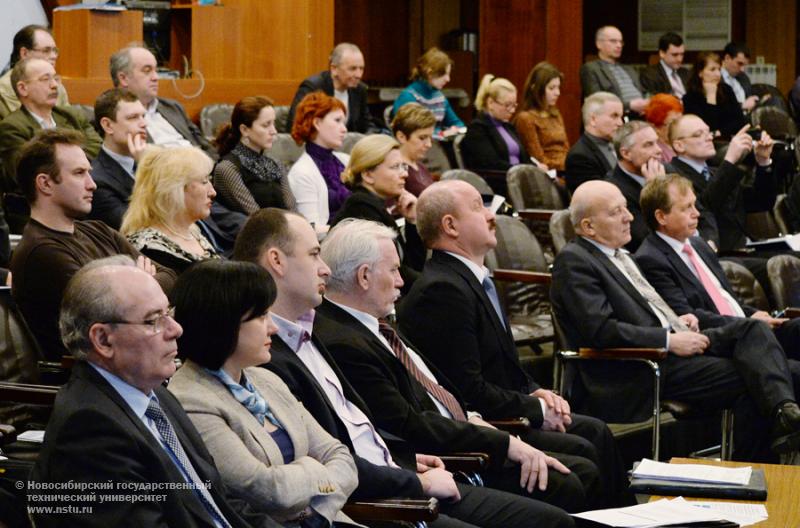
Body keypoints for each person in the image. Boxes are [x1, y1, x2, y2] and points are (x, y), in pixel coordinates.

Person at [233, 208, 577, 528]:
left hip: (408, 468)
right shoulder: (270, 356)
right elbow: (330, 460)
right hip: (382, 499)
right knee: (554, 514)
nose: (324, 268)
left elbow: (362, 428)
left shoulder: (308, 332)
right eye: (313, 255)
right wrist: (414, 477)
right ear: (277, 260)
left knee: (567, 485)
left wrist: (409, 460)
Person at [316, 218, 612, 511]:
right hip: (449, 460)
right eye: (393, 270)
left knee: (581, 457)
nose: (401, 280)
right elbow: (412, 425)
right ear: (364, 276)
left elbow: (441, 390)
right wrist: (503, 442)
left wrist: (477, 419)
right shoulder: (345, 341)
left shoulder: (377, 325)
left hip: (466, 434)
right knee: (571, 478)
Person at [397, 180, 628, 505]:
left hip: (505, 408)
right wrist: (535, 409)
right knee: (585, 447)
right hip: (486, 424)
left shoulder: (469, 280)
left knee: (595, 431)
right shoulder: (442, 291)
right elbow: (467, 388)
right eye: (478, 207)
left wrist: (535, 391)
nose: (491, 216)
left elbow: (502, 367)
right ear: (450, 225)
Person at [551, 179, 800, 461]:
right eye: (615, 212)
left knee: (754, 332)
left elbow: (647, 310)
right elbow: (601, 330)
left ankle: (783, 417)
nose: (629, 216)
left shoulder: (622, 256)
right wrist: (669, 340)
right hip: (638, 367)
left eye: (626, 208)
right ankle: (757, 466)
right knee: (761, 378)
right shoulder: (575, 262)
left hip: (672, 348)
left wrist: (679, 322)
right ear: (588, 227)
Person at [29, 256, 280, 528]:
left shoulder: (155, 394)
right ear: (103, 340)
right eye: (153, 321)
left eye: (168, 313)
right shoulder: (88, 431)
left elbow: (219, 499)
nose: (176, 329)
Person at [168, 260, 360, 526]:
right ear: (221, 322)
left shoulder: (267, 379)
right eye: (261, 316)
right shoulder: (190, 398)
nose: (274, 327)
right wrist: (315, 470)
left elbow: (340, 457)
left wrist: (314, 513)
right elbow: (267, 490)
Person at [10, 129, 175, 360]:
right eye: (79, 173)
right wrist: (142, 280)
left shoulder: (98, 230)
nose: (92, 184)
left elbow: (170, 277)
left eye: (89, 172)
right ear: (45, 183)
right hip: (92, 377)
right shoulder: (41, 253)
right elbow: (114, 312)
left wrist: (140, 286)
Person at [635, 174, 800, 360]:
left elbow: (725, 298)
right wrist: (747, 323)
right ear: (661, 217)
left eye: (694, 204)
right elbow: (688, 315)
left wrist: (751, 314)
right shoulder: (651, 259)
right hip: (722, 341)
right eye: (686, 207)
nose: (696, 213)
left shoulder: (698, 244)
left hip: (748, 329)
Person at [669, 114, 776, 253]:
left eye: (708, 132)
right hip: (721, 253)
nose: (709, 137)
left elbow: (761, 202)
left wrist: (763, 162)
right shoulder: (674, 177)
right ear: (679, 145)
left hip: (747, 246)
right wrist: (730, 159)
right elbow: (706, 208)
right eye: (698, 134)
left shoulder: (715, 172)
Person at [333, 135, 426, 292]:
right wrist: (432, 285)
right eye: (395, 167)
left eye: (404, 166)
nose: (404, 174)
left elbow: (411, 265)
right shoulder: (360, 208)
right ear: (368, 175)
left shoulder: (373, 205)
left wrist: (412, 221)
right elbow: (394, 275)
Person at [0, 58, 101, 195]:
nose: (54, 85)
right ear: (23, 88)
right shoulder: (12, 127)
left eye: (56, 78)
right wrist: (73, 166)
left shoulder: (71, 116)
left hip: (89, 189)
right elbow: (26, 173)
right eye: (45, 79)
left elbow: (98, 147)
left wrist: (67, 166)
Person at [121, 147, 221, 274]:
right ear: (175, 190)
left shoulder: (194, 233)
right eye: (203, 181)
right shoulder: (148, 249)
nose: (213, 192)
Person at [110, 45, 216, 159]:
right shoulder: (115, 116)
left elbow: (205, 146)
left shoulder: (173, 107)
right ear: (123, 78)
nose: (156, 77)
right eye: (147, 71)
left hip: (203, 169)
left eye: (156, 70)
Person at [213, 96, 294, 215]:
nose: (274, 131)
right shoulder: (227, 169)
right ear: (245, 130)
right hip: (258, 231)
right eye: (266, 125)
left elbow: (293, 210)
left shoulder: (275, 164)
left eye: (273, 123)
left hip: (286, 229)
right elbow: (256, 218)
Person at [287, 92, 350, 229]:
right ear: (317, 123)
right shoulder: (302, 172)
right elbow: (311, 228)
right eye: (337, 121)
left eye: (344, 123)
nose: (344, 129)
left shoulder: (346, 160)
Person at [87, 88, 148, 230]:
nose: (144, 124)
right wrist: (146, 169)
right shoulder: (97, 181)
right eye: (133, 117)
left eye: (143, 116)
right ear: (108, 125)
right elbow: (135, 227)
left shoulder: (153, 161)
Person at [287, 43, 380, 134]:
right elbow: (295, 125)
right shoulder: (313, 87)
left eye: (361, 69)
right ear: (334, 68)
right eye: (352, 69)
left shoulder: (360, 89)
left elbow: (367, 125)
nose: (358, 75)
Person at [460, 74, 532, 172]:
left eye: (514, 105)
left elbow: (525, 158)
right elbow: (491, 164)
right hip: (499, 181)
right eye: (507, 105)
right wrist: (522, 172)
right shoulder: (477, 129)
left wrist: (536, 169)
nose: (512, 110)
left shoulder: (508, 127)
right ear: (490, 103)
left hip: (519, 178)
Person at [391, 47, 464, 137]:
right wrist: (441, 134)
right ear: (430, 73)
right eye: (444, 74)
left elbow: (458, 124)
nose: (448, 79)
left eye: (448, 74)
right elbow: (409, 132)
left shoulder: (439, 97)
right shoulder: (408, 97)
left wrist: (454, 129)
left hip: (437, 146)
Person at [0, 24, 69, 119]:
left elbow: (72, 121)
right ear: (24, 53)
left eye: (55, 50)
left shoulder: (57, 84)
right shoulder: (4, 89)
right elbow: (24, 126)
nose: (54, 56)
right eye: (46, 51)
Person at [580, 26, 648, 116]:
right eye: (613, 41)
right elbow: (597, 102)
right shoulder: (591, 68)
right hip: (615, 117)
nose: (619, 45)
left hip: (641, 115)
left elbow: (644, 92)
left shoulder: (629, 69)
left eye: (621, 42)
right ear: (598, 44)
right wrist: (629, 106)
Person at [564, 92, 623, 194]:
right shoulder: (579, 157)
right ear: (593, 119)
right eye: (614, 116)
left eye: (621, 117)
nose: (620, 123)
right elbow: (596, 197)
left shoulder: (618, 146)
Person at [515, 61, 570, 171]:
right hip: (547, 173)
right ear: (536, 89)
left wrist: (572, 163)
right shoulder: (526, 118)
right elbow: (538, 158)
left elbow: (566, 148)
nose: (557, 93)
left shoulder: (555, 114)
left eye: (558, 87)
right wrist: (567, 166)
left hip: (566, 169)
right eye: (551, 88)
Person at [682, 52, 746, 140]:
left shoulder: (726, 90)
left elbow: (740, 122)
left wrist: (719, 132)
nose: (718, 74)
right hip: (703, 145)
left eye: (719, 69)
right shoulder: (690, 97)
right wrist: (711, 97)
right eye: (712, 70)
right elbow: (705, 129)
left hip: (728, 140)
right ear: (700, 73)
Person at [391, 102, 436, 196]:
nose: (429, 144)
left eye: (430, 138)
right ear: (401, 136)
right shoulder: (397, 171)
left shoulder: (421, 166)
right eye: (422, 138)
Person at [639, 32, 690, 98]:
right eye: (675, 55)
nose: (679, 59)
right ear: (662, 53)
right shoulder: (649, 75)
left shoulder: (686, 73)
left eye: (682, 54)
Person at [643, 93, 683, 163]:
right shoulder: (657, 154)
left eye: (681, 120)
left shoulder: (684, 141)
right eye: (673, 123)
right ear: (655, 127)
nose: (680, 127)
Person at [721, 42, 759, 112]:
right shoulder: (715, 78)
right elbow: (718, 106)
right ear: (727, 58)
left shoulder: (743, 78)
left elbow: (749, 101)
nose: (742, 69)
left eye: (744, 65)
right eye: (739, 63)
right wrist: (742, 106)